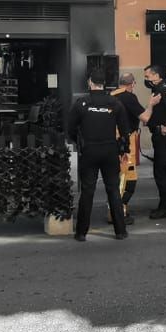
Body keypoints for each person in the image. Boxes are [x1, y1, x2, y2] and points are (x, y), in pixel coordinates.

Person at [67, 72, 132, 241]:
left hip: (89, 150)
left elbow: (70, 128)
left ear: (90, 82)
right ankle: (120, 231)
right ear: (104, 84)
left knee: (87, 191)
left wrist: (79, 142)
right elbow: (125, 130)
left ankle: (81, 232)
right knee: (113, 190)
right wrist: (124, 149)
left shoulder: (81, 103)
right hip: (110, 150)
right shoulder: (115, 103)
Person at [145, 65, 166, 219]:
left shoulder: (164, 88)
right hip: (159, 134)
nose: (146, 79)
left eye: (148, 76)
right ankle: (164, 204)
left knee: (162, 171)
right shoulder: (157, 88)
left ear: (156, 75)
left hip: (164, 135)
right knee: (161, 171)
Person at [112, 71, 145, 223]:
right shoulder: (129, 97)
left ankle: (115, 210)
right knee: (128, 177)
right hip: (126, 142)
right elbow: (144, 117)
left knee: (117, 176)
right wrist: (151, 105)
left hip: (111, 141)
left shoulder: (110, 96)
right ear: (132, 84)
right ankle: (119, 212)